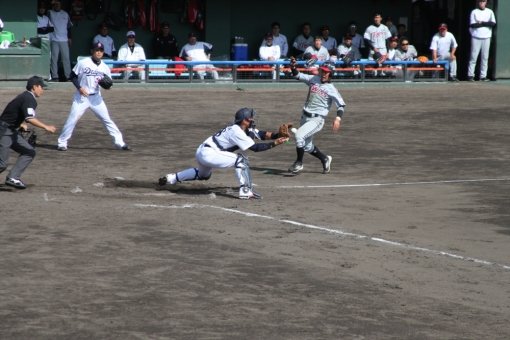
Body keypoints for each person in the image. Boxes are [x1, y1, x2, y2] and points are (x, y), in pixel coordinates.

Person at [158, 107, 289, 199]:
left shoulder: (243, 129)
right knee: (241, 160)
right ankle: (245, 191)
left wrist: (277, 135)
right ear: (244, 120)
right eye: (250, 118)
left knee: (204, 175)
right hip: (209, 153)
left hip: (203, 151)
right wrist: (275, 143)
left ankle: (171, 178)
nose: (252, 120)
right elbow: (255, 148)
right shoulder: (236, 131)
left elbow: (261, 134)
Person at [57, 42, 130, 151]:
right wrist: (80, 88)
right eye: (97, 50)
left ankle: (120, 142)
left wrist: (107, 86)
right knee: (72, 119)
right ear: (92, 51)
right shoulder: (83, 63)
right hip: (81, 97)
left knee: (107, 120)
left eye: (101, 50)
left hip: (96, 97)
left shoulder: (105, 67)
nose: (99, 52)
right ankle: (62, 143)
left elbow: (108, 83)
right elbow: (72, 76)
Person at [287, 57, 345, 174]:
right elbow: (297, 75)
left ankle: (299, 163)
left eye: (326, 72)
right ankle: (325, 159)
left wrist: (338, 119)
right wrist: (293, 67)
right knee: (307, 146)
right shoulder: (314, 79)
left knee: (299, 136)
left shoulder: (332, 89)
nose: (323, 74)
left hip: (317, 119)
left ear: (331, 73)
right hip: (305, 117)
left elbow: (341, 105)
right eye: (322, 71)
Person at [0, 76, 57, 189]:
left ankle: (13, 177)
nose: (43, 90)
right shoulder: (28, 98)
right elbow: (30, 118)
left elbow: (12, 112)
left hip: (10, 130)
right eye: (41, 87)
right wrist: (46, 127)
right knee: (1, 164)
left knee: (29, 151)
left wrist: (20, 123)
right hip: (3, 131)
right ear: (35, 87)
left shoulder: (25, 97)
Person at [467, 0, 496, 81]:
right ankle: (470, 75)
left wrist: (482, 23)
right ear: (478, 2)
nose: (482, 3)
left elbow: (493, 23)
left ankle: (483, 76)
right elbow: (473, 25)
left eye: (483, 1)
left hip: (486, 37)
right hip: (476, 36)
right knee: (473, 57)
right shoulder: (474, 12)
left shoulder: (490, 11)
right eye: (480, 1)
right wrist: (485, 23)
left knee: (485, 57)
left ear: (486, 2)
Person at [48, 0, 73, 82]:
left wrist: (70, 38)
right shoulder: (50, 12)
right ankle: (55, 76)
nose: (57, 5)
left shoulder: (65, 14)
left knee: (66, 58)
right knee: (54, 58)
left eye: (58, 4)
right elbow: (44, 12)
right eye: (55, 4)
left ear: (61, 5)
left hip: (64, 39)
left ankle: (68, 76)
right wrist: (51, 3)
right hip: (54, 38)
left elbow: (69, 27)